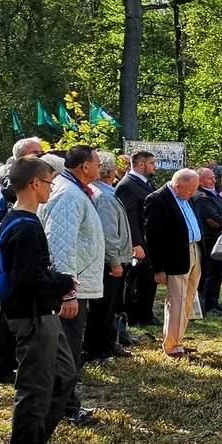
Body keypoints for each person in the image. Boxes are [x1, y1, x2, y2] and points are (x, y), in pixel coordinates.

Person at [0, 157, 78, 444]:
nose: (51, 188)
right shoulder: (26, 226)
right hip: (31, 317)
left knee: (64, 375)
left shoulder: (24, 221)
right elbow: (26, 280)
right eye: (48, 182)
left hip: (43, 313)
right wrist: (62, 282)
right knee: (35, 386)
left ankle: (35, 442)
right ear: (34, 184)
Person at [38, 145, 103, 426]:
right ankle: (65, 407)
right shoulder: (69, 194)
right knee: (66, 352)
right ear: (85, 166)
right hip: (71, 289)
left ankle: (67, 403)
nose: (100, 168)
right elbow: (60, 246)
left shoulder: (73, 190)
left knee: (69, 350)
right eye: (97, 163)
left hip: (78, 283)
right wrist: (68, 294)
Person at [144, 168, 205, 358]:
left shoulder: (187, 197)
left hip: (193, 251)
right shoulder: (157, 199)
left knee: (188, 299)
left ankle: (178, 340)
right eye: (190, 189)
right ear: (178, 186)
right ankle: (172, 346)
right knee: (176, 302)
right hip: (175, 257)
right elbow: (153, 237)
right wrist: (158, 268)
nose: (193, 193)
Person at [84, 152, 132, 361]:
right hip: (109, 262)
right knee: (103, 309)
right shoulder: (102, 196)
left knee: (110, 307)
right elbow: (108, 233)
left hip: (111, 259)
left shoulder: (103, 192)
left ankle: (106, 345)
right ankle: (97, 350)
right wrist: (114, 261)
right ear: (111, 171)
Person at [118, 151, 157, 326]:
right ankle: (136, 316)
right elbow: (129, 217)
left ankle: (146, 313)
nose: (154, 167)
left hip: (150, 239)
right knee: (139, 280)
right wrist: (136, 243)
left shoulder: (147, 183)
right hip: (139, 242)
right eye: (152, 163)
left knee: (149, 279)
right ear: (141, 164)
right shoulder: (127, 185)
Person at [192, 167, 222, 315]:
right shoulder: (200, 196)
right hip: (210, 240)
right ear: (199, 181)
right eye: (210, 178)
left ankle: (214, 301)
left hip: (220, 238)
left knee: (219, 272)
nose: (214, 180)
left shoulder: (213, 194)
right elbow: (212, 219)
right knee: (211, 272)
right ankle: (208, 304)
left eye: (214, 177)